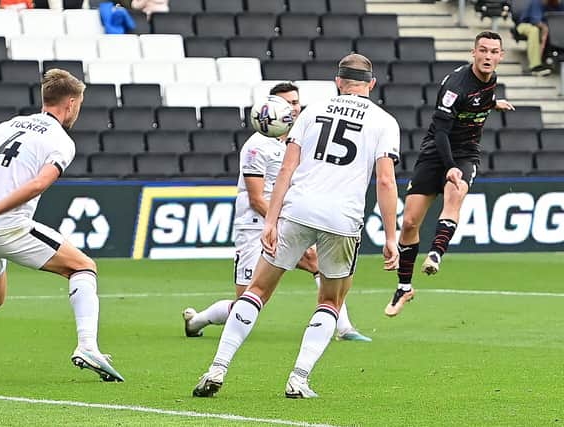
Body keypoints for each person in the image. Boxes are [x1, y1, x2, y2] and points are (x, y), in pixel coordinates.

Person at [192, 53, 400, 399]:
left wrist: (270, 221)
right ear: (371, 84)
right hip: (343, 218)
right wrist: (391, 236)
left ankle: (217, 367)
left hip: (298, 210)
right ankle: (298, 379)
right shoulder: (384, 121)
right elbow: (385, 182)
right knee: (331, 302)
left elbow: (287, 169)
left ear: (338, 82)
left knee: (256, 291)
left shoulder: (312, 112)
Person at [0, 69, 124, 383]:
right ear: (70, 104)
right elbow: (38, 184)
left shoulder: (7, 126)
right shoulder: (60, 140)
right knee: (83, 267)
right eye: (79, 106)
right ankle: (88, 346)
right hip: (4, 225)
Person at [183, 83, 372, 343]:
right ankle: (197, 321)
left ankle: (345, 329)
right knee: (244, 300)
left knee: (318, 264)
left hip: (288, 223)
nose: (293, 108)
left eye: (295, 103)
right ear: (270, 107)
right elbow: (257, 198)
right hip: (256, 227)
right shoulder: (256, 146)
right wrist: (279, 224)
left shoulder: (301, 139)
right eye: (287, 103)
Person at [384, 31, 515, 317]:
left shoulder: (490, 80)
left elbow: (478, 102)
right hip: (436, 152)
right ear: (473, 52)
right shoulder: (455, 85)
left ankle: (435, 254)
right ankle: (404, 287)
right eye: (483, 51)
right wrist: (449, 165)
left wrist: (495, 103)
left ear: (501, 56)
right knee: (408, 223)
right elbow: (442, 132)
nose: (488, 56)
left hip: (467, 153)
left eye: (494, 52)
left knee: (456, 193)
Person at [516, 0, 564, 76]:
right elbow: (535, 21)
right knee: (534, 30)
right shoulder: (537, 2)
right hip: (525, 25)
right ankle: (535, 66)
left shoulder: (560, 4)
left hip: (550, 27)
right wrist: (546, 29)